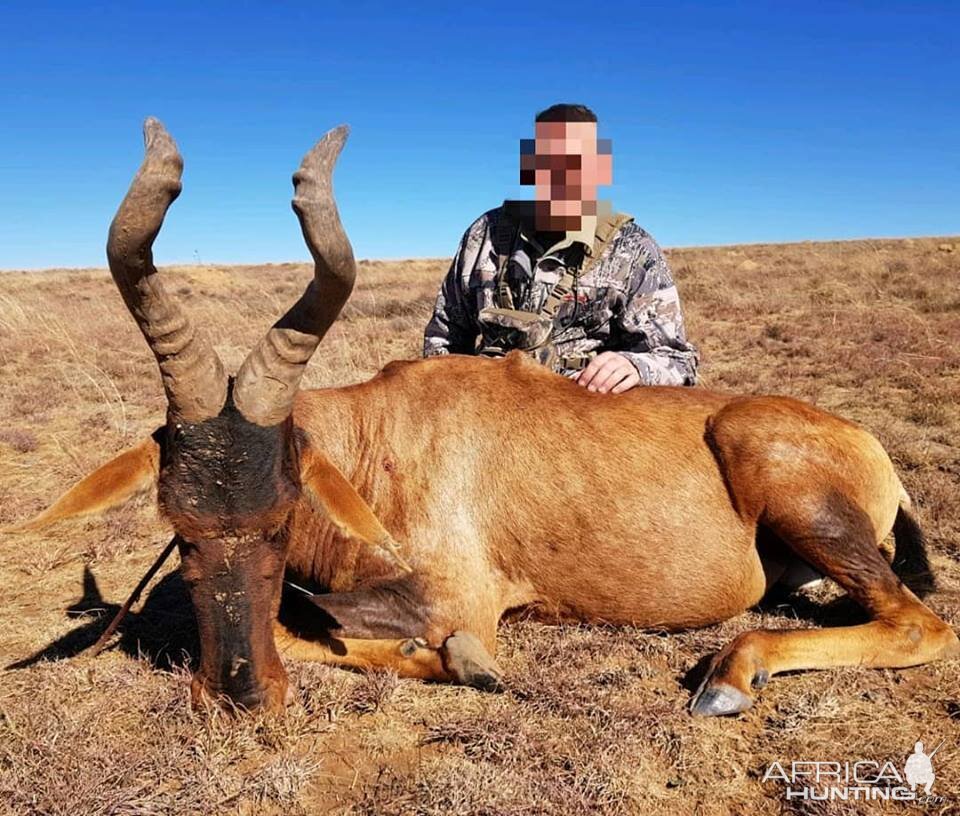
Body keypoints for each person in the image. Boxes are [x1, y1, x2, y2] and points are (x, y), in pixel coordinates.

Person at [423, 103, 699, 394]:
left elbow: (678, 361)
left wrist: (635, 366)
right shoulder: (486, 233)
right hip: (486, 412)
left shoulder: (633, 249)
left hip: (582, 418)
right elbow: (443, 340)